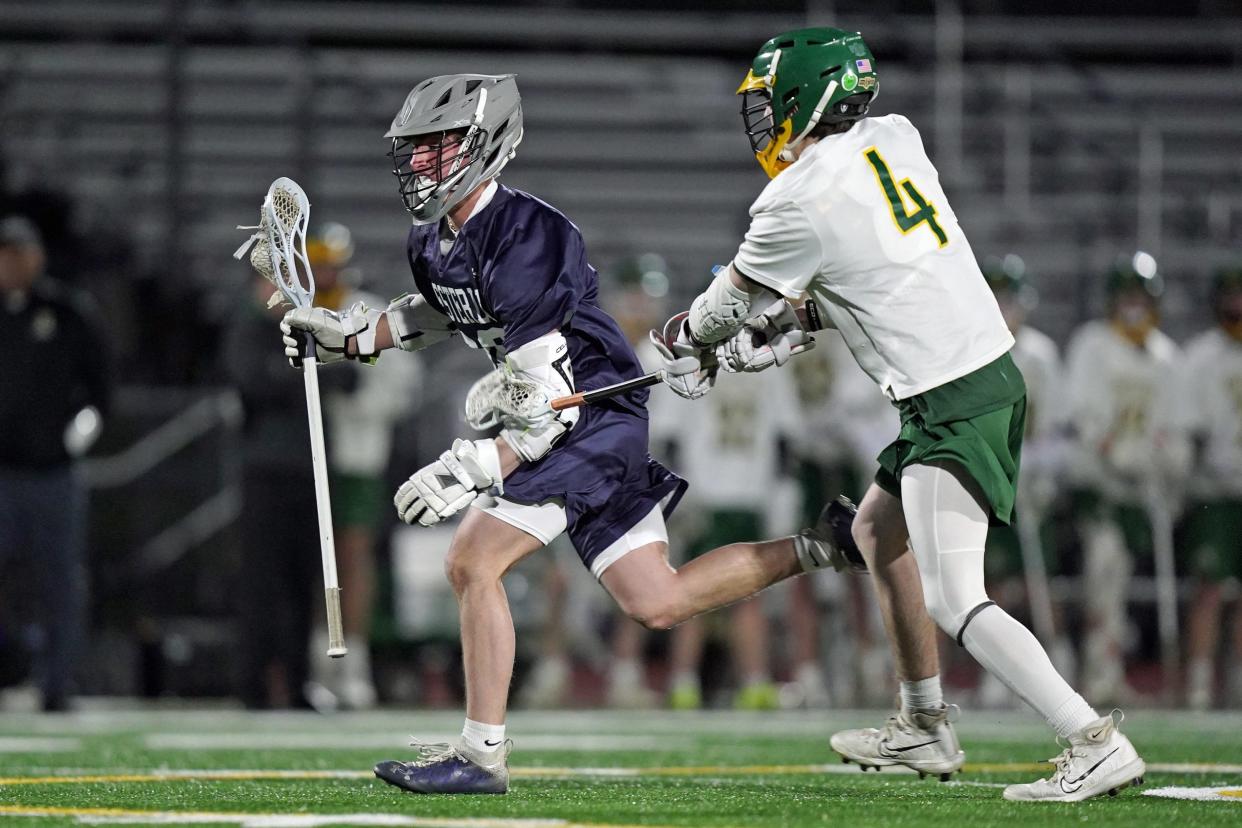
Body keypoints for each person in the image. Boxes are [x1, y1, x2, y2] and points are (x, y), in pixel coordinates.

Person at [278, 73, 858, 795]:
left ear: (483, 146)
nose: (420, 164)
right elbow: (439, 311)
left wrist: (479, 464)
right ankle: (829, 545)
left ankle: (482, 754)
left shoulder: (527, 234)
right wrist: (352, 339)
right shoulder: (434, 239)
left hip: (584, 415)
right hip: (575, 416)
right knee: (658, 601)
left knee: (472, 559)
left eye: (436, 148)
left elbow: (549, 397)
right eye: (416, 150)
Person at [654, 28, 1146, 802]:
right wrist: (790, 327)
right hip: (972, 381)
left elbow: (723, 309)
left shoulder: (797, 196)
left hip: (952, 398)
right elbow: (877, 270)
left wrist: (685, 337)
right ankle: (924, 725)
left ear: (803, 98)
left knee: (957, 597)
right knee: (876, 533)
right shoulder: (893, 138)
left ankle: (1091, 738)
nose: (758, 123)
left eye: (767, 105)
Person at [302, 222, 420, 711]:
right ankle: (314, 663)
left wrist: (354, 395)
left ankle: (353, 663)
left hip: (354, 454)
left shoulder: (366, 311)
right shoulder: (296, 313)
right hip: (307, 455)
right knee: (311, 562)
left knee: (353, 557)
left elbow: (399, 384)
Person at [0, 214, 111, 712]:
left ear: (36, 256)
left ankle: (57, 683)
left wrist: (84, 427)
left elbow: (101, 384)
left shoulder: (67, 313)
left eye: (17, 253)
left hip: (52, 472)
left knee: (59, 581)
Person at [1063, 254, 1184, 704]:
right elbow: (1088, 422)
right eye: (1127, 297)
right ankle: (1099, 670)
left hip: (1143, 490)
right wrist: (1119, 453)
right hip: (1100, 486)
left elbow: (1173, 430)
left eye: (1141, 297)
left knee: (1121, 581)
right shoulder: (1093, 345)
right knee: (1104, 573)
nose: (1134, 306)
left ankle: (1109, 666)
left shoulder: (1166, 357)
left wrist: (1167, 464)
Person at [1177, 266, 1242, 709]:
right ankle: (1199, 677)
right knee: (1210, 588)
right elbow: (1192, 433)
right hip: (1214, 492)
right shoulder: (1201, 356)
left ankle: (1236, 677)